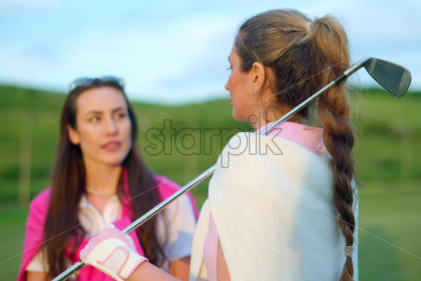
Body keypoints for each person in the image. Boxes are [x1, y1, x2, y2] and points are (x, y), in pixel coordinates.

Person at [76, 9, 359, 281]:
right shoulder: (333, 157)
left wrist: (124, 262)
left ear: (257, 76)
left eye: (231, 67)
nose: (226, 83)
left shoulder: (248, 158)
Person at [17, 76, 198, 281]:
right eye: (95, 118)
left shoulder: (171, 198)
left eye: (120, 115)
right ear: (73, 133)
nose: (112, 128)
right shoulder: (45, 207)